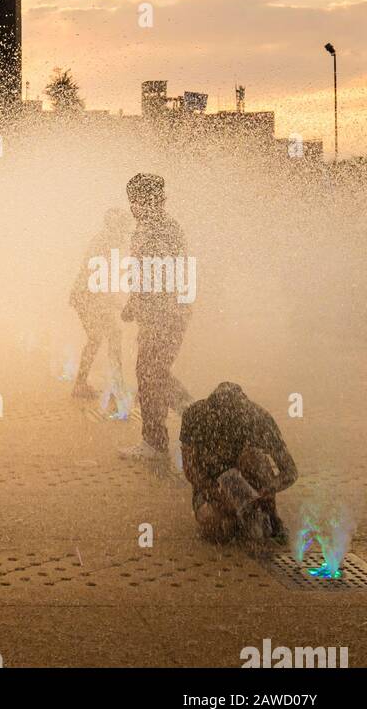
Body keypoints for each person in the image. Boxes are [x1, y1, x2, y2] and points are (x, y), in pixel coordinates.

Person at [118, 173, 192, 464]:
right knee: (155, 373)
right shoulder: (158, 226)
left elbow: (155, 274)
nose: (132, 207)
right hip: (163, 313)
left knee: (149, 375)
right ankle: (195, 414)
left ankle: (155, 441)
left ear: (144, 200)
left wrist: (139, 302)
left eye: (134, 201)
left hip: (162, 315)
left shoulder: (156, 229)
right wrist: (134, 302)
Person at [180, 383, 297, 546]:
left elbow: (290, 471)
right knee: (217, 528)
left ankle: (270, 516)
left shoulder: (258, 418)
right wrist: (215, 493)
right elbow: (190, 468)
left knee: (253, 457)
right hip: (212, 485)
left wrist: (269, 488)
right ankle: (238, 518)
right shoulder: (195, 416)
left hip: (249, 482)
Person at [69, 207, 129, 402]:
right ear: (115, 227)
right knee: (104, 336)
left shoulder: (106, 242)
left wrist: (113, 301)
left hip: (87, 295)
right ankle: (114, 386)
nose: (125, 233)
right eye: (123, 227)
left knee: (102, 337)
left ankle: (91, 384)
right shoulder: (104, 243)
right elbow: (95, 277)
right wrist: (112, 301)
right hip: (86, 296)